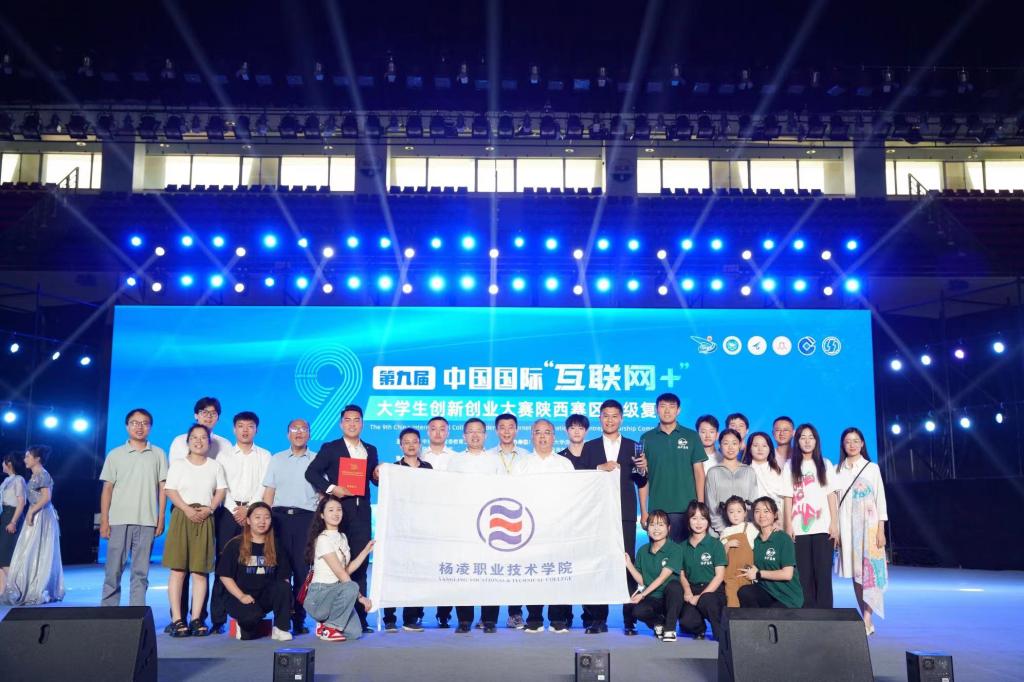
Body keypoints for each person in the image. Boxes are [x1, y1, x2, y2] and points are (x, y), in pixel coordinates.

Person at [305, 404, 378, 634]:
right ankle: (332, 613)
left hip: (362, 513)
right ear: (341, 423)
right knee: (339, 562)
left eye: (357, 420)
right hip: (339, 512)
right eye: (348, 420)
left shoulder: (370, 449)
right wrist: (332, 488)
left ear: (362, 423)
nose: (352, 424)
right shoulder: (331, 448)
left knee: (360, 563)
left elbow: (373, 479)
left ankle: (360, 617)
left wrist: (378, 475)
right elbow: (311, 473)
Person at [579, 399, 648, 635]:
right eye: (605, 416)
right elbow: (581, 479)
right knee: (599, 564)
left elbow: (641, 480)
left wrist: (643, 469)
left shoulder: (633, 446)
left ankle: (630, 619)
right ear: (600, 418)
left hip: (625, 514)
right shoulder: (589, 447)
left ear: (621, 418)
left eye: (614, 416)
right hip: (597, 515)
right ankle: (598, 619)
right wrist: (599, 468)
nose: (610, 420)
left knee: (627, 562)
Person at [163, 424, 227, 637]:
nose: (199, 441)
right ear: (188, 441)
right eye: (194, 438)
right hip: (183, 515)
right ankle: (177, 619)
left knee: (200, 571)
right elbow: (170, 490)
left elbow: (221, 490)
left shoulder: (215, 466)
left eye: (203, 438)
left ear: (209, 442)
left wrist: (210, 509)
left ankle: (196, 618)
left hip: (205, 517)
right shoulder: (178, 465)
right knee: (178, 570)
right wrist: (186, 509)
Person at [99, 408, 168, 607]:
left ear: (150, 427)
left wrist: (161, 518)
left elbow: (163, 488)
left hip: (147, 521)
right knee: (113, 570)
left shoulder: (158, 454)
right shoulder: (115, 454)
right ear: (127, 426)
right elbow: (107, 489)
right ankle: (108, 611)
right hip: (119, 520)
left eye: (145, 423)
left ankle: (136, 612)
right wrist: (104, 520)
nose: (140, 427)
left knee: (141, 572)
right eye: (135, 423)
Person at [211, 411, 272, 632]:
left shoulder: (265, 455)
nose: (245, 430)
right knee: (223, 562)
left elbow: (265, 484)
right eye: (241, 426)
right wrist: (235, 509)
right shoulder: (223, 455)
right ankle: (217, 619)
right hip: (228, 512)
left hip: (255, 513)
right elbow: (221, 484)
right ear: (234, 429)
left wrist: (249, 510)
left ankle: (254, 609)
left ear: (257, 429)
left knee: (254, 561)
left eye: (250, 426)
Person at [514, 419, 575, 633]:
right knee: (533, 572)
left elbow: (573, 494)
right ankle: (534, 618)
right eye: (538, 432)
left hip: (558, 526)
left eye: (547, 432)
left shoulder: (564, 464)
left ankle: (557, 618)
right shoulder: (521, 464)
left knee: (557, 570)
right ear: (532, 436)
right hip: (530, 527)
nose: (542, 436)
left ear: (554, 437)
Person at [262, 418, 320, 634]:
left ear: (309, 434)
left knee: (302, 571)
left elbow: (322, 495)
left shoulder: (317, 459)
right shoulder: (277, 459)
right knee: (281, 570)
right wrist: (264, 520)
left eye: (304, 429)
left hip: (307, 520)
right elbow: (269, 492)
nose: (299, 432)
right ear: (288, 434)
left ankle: (299, 619)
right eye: (295, 429)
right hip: (279, 519)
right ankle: (282, 618)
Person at [447, 417, 501, 633]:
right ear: (464, 436)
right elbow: (448, 489)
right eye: (470, 431)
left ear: (486, 435)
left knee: (491, 571)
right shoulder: (455, 461)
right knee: (465, 570)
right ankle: (464, 620)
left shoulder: (495, 460)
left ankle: (490, 620)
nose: (475, 435)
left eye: (479, 431)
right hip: (463, 522)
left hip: (490, 523)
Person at [834, 427, 888, 635]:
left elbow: (880, 499)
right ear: (843, 444)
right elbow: (835, 502)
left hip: (870, 527)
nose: (852, 445)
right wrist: (837, 530)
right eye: (848, 441)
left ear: (862, 443)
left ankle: (867, 617)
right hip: (847, 528)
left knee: (871, 573)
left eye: (856, 441)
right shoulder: (837, 470)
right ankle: (864, 617)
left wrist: (881, 530)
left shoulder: (872, 468)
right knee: (856, 573)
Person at [215, 502, 294, 641]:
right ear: (248, 520)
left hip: (264, 596)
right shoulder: (235, 544)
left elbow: (284, 578)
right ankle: (244, 621)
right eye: (257, 517)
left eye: (267, 517)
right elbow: (225, 576)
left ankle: (280, 628)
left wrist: (286, 604)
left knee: (284, 586)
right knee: (249, 630)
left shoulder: (276, 545)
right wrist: (241, 596)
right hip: (240, 597)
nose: (262, 521)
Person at [782, 423, 839, 609]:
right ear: (797, 441)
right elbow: (788, 497)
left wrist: (834, 524)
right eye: (803, 437)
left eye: (811, 437)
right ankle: (807, 614)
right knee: (803, 574)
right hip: (799, 528)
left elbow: (831, 495)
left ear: (816, 441)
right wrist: (788, 525)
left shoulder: (825, 464)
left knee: (823, 573)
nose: (807, 441)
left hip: (823, 527)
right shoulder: (790, 465)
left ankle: (825, 613)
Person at [303, 496, 374, 642]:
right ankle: (329, 628)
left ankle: (325, 625)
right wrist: (361, 598)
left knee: (355, 633)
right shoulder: (323, 539)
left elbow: (346, 570)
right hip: (320, 595)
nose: (336, 513)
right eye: (331, 510)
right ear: (322, 515)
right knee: (352, 586)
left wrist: (366, 551)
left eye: (339, 510)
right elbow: (341, 573)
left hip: (336, 593)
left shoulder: (342, 537)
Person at [382, 428, 432, 633]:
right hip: (398, 527)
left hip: (420, 528)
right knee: (394, 572)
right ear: (401, 445)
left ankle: (411, 618)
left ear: (420, 444)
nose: (411, 445)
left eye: (415, 441)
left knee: (416, 573)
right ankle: (389, 618)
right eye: (407, 442)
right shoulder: (393, 468)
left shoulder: (428, 468)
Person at [639, 393, 707, 542]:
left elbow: (699, 473)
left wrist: (700, 507)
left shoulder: (691, 436)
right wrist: (643, 511)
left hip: (687, 509)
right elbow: (643, 477)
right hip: (657, 510)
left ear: (678, 410)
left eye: (671, 406)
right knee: (659, 553)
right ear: (656, 409)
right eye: (663, 406)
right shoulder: (647, 438)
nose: (667, 410)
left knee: (686, 554)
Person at [3, 445, 64, 605]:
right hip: (36, 513)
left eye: (28, 456)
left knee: (38, 550)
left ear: (37, 459)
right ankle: (27, 585)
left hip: (42, 515)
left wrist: (31, 512)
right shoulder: (34, 475)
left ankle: (38, 587)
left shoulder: (43, 474)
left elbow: (46, 497)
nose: (25, 459)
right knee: (28, 550)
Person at [485, 413, 531, 629]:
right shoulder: (486, 456)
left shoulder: (527, 456)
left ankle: (515, 614)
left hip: (518, 514)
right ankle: (488, 617)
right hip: (492, 515)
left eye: (510, 427)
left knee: (516, 566)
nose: (506, 431)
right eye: (502, 427)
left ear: (517, 430)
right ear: (496, 431)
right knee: (491, 566)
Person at [420, 416, 458, 628]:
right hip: (423, 516)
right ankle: (416, 612)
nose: (437, 432)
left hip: (448, 517)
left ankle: (444, 613)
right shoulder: (418, 456)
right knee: (422, 565)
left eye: (442, 429)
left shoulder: (456, 458)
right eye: (433, 428)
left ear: (448, 432)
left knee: (447, 565)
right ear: (428, 432)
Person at [624, 509, 683, 641]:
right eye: (652, 525)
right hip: (652, 597)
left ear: (668, 528)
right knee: (637, 611)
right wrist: (629, 565)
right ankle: (659, 623)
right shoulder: (643, 550)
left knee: (675, 587)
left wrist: (642, 595)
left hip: (670, 598)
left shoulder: (675, 549)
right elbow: (643, 581)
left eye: (661, 525)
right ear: (647, 528)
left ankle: (670, 629)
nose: (656, 529)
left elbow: (662, 578)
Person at [738, 497, 803, 609]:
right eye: (757, 511)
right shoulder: (755, 540)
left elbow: (787, 574)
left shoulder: (783, 538)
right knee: (745, 592)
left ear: (775, 514)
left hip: (787, 597)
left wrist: (759, 574)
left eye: (766, 511)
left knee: (772, 613)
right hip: (766, 592)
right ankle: (753, 621)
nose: (761, 515)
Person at [678, 501, 727, 640]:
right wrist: (687, 590)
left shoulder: (716, 544)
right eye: (694, 518)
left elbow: (719, 576)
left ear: (708, 521)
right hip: (692, 588)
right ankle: (700, 628)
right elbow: (681, 573)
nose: (698, 523)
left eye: (703, 518)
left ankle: (721, 633)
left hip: (713, 590)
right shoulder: (681, 547)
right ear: (688, 521)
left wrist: (700, 597)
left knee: (707, 600)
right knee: (686, 621)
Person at [704, 429, 758, 536]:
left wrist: (743, 529)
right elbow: (710, 506)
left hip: (745, 532)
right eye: (726, 443)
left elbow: (753, 503)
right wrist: (725, 531)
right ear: (720, 446)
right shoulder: (713, 472)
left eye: (734, 443)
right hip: (718, 533)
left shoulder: (749, 471)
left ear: (740, 445)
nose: (730, 447)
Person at [719, 496, 757, 608]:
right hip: (730, 576)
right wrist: (727, 545)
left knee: (748, 603)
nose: (735, 515)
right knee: (732, 603)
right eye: (731, 512)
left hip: (746, 574)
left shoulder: (751, 528)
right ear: (726, 514)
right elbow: (720, 556)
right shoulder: (725, 532)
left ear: (745, 513)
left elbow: (760, 546)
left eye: (739, 511)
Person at [168, 397, 233, 462]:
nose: (209, 416)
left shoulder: (225, 444)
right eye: (204, 412)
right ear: (196, 415)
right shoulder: (179, 441)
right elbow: (174, 466)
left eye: (213, 413)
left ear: (218, 418)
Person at [0, 452, 29, 595]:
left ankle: (17, 590)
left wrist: (13, 522)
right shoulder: (7, 480)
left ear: (9, 463)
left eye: (3, 461)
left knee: (6, 556)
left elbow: (21, 502)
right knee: (1, 557)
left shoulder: (19, 480)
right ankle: (2, 592)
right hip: (4, 515)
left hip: (12, 516)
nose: (2, 464)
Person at [744, 431, 787, 514]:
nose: (760, 449)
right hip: (751, 515)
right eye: (755, 445)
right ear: (749, 448)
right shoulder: (743, 471)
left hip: (776, 515)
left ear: (770, 449)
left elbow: (784, 499)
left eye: (764, 446)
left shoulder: (778, 471)